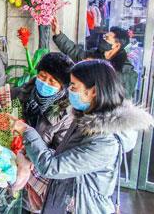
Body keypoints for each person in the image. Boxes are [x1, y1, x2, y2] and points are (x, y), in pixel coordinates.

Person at [12, 59, 153, 214]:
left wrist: (26, 131)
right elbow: (64, 157)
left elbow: (52, 166)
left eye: (73, 86)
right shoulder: (84, 118)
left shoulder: (106, 140)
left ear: (93, 91)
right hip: (63, 199)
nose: (69, 90)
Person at [10, 52, 74, 213]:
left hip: (36, 173)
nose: (45, 83)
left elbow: (58, 153)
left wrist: (29, 154)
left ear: (63, 86)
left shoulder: (66, 115)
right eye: (42, 76)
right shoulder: (18, 95)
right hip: (8, 163)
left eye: (52, 81)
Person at [51, 18, 138, 99]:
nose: (102, 39)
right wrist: (58, 34)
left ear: (116, 45)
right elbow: (75, 52)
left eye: (106, 38)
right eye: (104, 36)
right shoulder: (95, 54)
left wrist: (97, 68)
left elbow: (125, 89)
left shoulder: (125, 67)